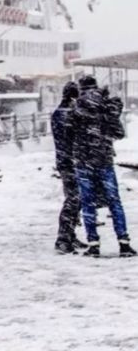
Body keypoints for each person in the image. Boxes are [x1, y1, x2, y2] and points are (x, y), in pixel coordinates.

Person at [70, 75, 136, 258]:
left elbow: (68, 134)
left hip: (83, 162)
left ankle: (94, 245)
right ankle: (124, 244)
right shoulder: (107, 106)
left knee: (88, 203)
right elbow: (119, 133)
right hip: (104, 160)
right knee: (115, 202)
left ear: (81, 88)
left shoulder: (76, 107)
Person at [51, 81, 86, 254]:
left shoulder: (60, 113)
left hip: (66, 162)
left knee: (74, 199)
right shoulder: (66, 115)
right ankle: (63, 239)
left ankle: (70, 235)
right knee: (73, 200)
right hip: (70, 163)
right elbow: (73, 138)